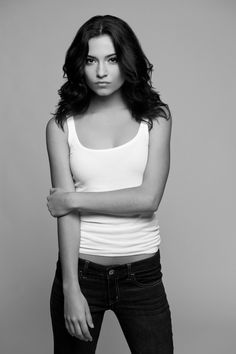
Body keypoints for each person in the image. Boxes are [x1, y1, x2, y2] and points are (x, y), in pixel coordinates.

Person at [46, 15, 173, 354]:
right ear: (80, 64)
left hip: (142, 278)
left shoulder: (155, 118)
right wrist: (71, 288)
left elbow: (148, 199)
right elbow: (65, 216)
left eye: (112, 59)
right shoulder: (61, 127)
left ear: (127, 60)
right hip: (82, 275)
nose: (101, 71)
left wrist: (74, 200)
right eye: (91, 60)